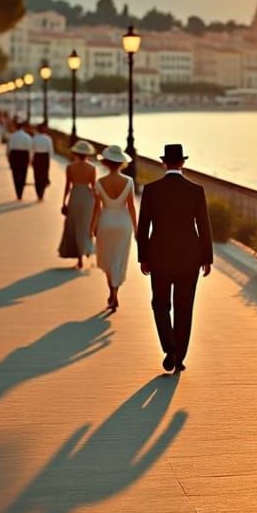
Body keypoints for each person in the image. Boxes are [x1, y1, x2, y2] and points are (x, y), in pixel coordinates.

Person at [137, 143, 212, 374]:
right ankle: (179, 357)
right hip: (190, 257)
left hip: (159, 256)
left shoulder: (151, 190)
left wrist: (144, 257)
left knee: (159, 304)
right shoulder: (196, 190)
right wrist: (206, 258)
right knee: (184, 308)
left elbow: (143, 228)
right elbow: (204, 226)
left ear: (163, 162)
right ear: (183, 162)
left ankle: (169, 348)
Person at [91, 145, 137, 312]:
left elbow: (97, 208)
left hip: (106, 221)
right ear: (121, 163)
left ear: (106, 163)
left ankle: (112, 292)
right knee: (119, 258)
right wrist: (137, 228)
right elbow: (131, 207)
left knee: (108, 258)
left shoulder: (100, 182)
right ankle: (115, 293)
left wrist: (92, 227)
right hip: (123, 223)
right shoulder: (129, 182)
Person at [58, 140, 97, 268]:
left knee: (74, 225)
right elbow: (94, 186)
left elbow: (67, 185)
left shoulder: (70, 167)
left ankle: (79, 257)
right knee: (85, 226)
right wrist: (98, 202)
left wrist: (64, 201)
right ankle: (85, 250)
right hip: (87, 197)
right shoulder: (92, 168)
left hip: (75, 196)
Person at [6, 122, 33, 200]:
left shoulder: (12, 136)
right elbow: (30, 149)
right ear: (23, 128)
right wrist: (30, 159)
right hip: (24, 156)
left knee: (15, 175)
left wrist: (8, 158)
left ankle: (18, 193)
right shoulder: (27, 136)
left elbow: (9, 148)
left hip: (14, 155)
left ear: (16, 127)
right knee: (23, 174)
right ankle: (21, 192)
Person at [31, 125, 54, 201]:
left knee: (36, 175)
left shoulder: (34, 138)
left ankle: (38, 193)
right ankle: (42, 193)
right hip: (45, 157)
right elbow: (51, 151)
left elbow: (32, 150)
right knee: (44, 174)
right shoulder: (48, 138)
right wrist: (49, 159)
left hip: (37, 157)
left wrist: (31, 159)